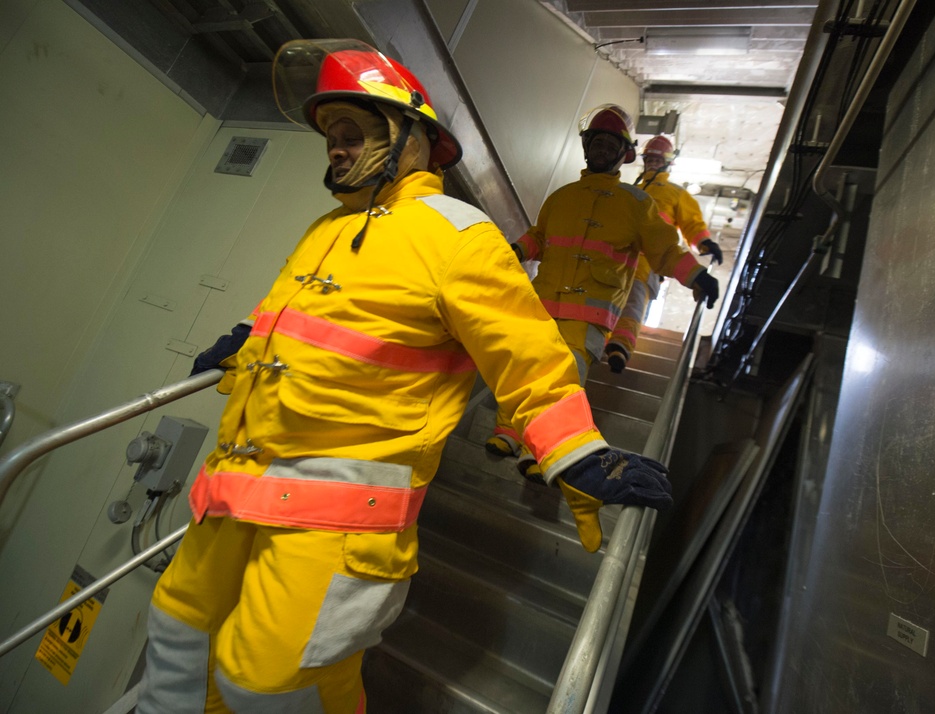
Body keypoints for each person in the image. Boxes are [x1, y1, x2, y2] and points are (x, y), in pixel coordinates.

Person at [134, 40, 673, 714]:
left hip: (334, 525)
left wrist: (577, 449)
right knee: (178, 630)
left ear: (411, 140)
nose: (335, 148)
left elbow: (527, 355)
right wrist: (245, 340)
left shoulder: (458, 235)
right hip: (233, 492)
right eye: (331, 136)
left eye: (353, 132)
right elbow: (298, 317)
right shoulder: (327, 227)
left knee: (269, 684)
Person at [485, 105, 719, 479]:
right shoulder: (562, 197)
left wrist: (696, 275)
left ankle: (538, 448)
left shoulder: (637, 204)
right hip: (541, 303)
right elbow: (540, 237)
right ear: (586, 147)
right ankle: (508, 431)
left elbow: (665, 251)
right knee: (524, 367)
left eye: (611, 144)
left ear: (624, 154)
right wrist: (516, 249)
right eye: (597, 142)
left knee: (564, 380)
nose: (601, 150)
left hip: (590, 315)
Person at [603, 135, 723, 373]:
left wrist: (705, 243)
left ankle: (620, 347)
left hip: (649, 263)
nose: (653, 164)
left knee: (633, 305)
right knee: (604, 302)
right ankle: (603, 341)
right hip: (615, 260)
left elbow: (692, 224)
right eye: (650, 160)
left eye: (657, 161)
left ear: (667, 163)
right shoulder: (629, 190)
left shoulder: (676, 194)